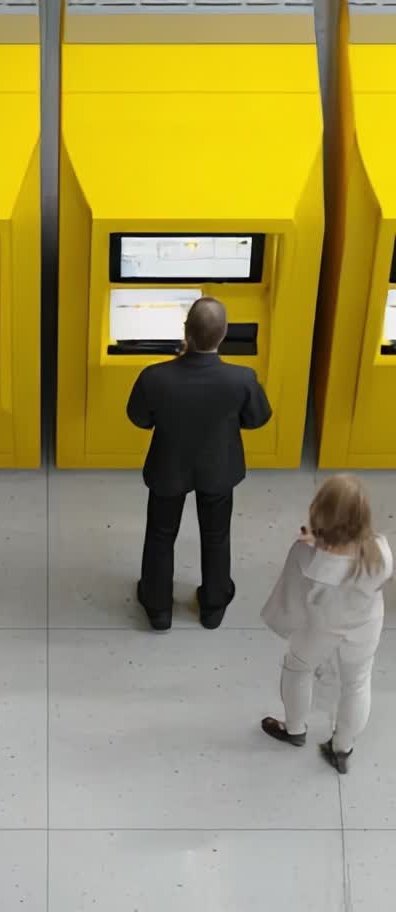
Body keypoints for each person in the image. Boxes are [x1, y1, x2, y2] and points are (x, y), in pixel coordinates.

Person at [126, 296, 271, 631]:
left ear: (185, 333)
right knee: (217, 535)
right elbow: (258, 418)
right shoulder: (242, 379)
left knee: (161, 536)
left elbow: (138, 418)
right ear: (223, 335)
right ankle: (213, 606)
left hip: (168, 467)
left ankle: (158, 607)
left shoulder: (155, 376)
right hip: (219, 468)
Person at [261, 474, 392, 773]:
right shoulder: (381, 551)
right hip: (365, 627)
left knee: (297, 667)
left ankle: (294, 728)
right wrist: (321, 540)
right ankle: (342, 747)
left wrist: (315, 542)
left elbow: (291, 598)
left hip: (320, 628)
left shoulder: (305, 556)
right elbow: (350, 554)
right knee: (357, 683)